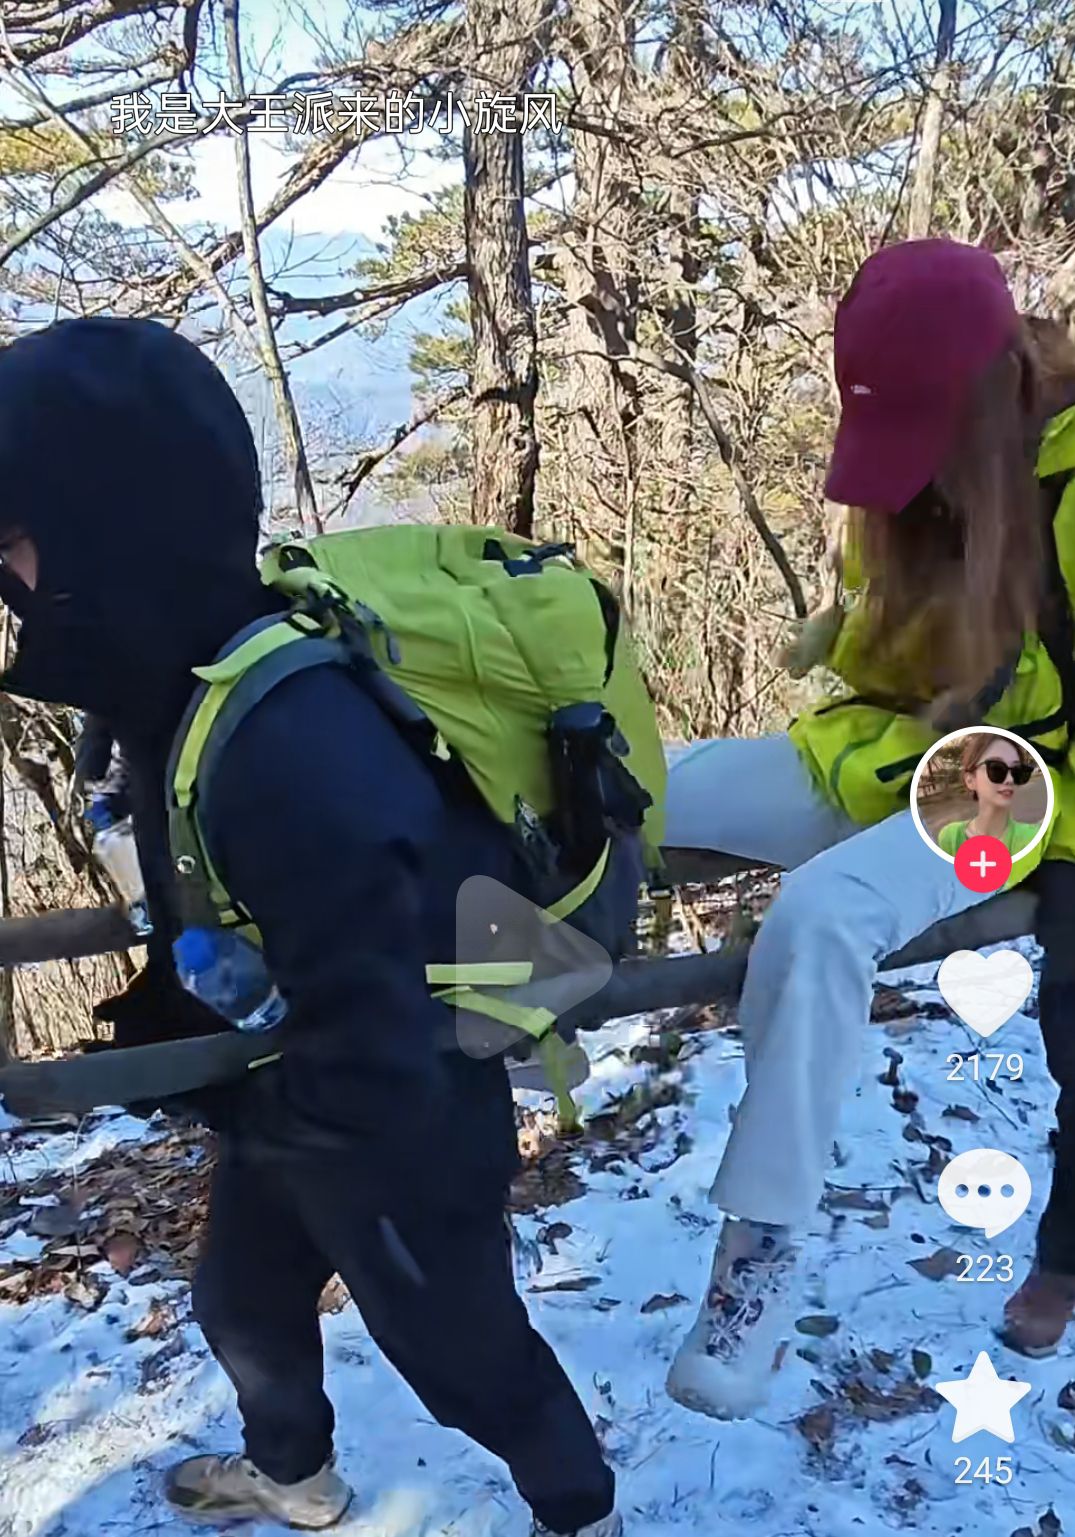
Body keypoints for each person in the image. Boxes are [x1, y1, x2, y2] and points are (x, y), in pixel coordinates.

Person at [0, 317, 621, 1536]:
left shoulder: (289, 744)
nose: (8, 581)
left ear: (110, 536)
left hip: (396, 1111)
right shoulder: (177, 684)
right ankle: (294, 1475)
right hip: (293, 1091)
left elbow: (373, 1006)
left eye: (15, 544)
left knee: (462, 1350)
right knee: (243, 1304)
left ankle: (579, 1509)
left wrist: (308, 1127)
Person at [662, 238, 1075, 1419]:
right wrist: (848, 636)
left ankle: (757, 1258)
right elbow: (894, 665)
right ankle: (484, 975)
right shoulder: (911, 472)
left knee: (824, 913)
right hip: (886, 745)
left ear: (991, 396)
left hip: (1019, 780)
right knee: (637, 784)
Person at [935, 734, 1040, 858]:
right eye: (996, 769)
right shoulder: (950, 838)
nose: (1010, 779)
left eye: (1016, 771)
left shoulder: (1032, 839)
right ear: (970, 780)